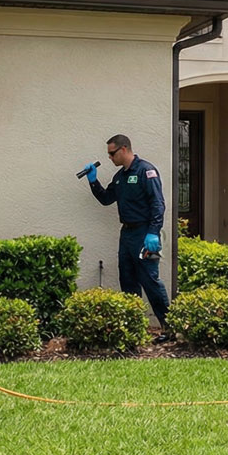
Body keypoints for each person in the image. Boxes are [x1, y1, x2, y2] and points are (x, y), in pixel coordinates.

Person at [81, 134, 173, 343]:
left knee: (150, 280)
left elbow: (158, 204)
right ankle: (134, 328)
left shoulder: (145, 171)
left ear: (123, 149)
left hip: (145, 233)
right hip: (127, 234)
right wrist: (93, 181)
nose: (110, 158)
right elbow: (106, 199)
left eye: (112, 153)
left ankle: (168, 328)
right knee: (128, 280)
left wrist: (154, 231)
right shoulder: (120, 177)